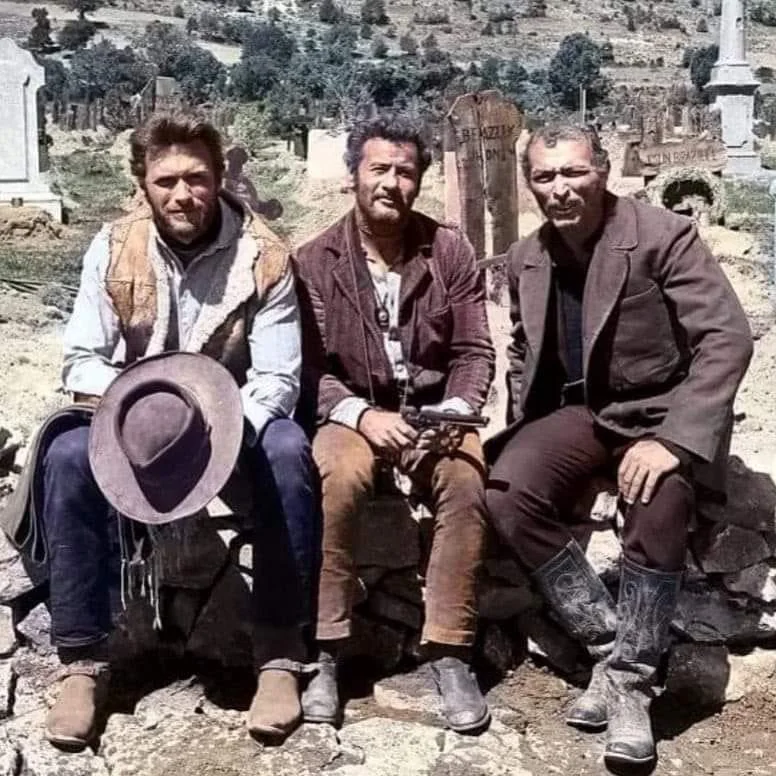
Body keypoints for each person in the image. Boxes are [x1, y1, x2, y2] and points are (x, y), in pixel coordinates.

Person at [1, 112, 318, 749]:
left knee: (289, 451)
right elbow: (82, 358)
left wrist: (216, 432)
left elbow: (279, 379)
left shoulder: (267, 257)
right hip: (141, 427)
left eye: (198, 179)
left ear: (221, 177)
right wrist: (137, 410)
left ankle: (280, 653)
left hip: (231, 430)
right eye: (166, 180)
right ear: (142, 183)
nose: (183, 195)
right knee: (64, 455)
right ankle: (83, 662)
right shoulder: (115, 246)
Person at [485, 123, 753, 767]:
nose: (560, 189)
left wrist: (673, 441)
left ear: (603, 171)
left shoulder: (661, 236)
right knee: (507, 491)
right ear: (530, 184)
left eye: (574, 173)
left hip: (662, 412)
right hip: (582, 415)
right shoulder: (527, 256)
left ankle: (631, 685)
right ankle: (609, 646)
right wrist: (534, 432)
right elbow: (524, 354)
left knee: (659, 501)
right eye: (545, 177)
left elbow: (726, 339)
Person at [294, 114, 495, 733]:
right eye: (378, 169)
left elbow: (474, 351)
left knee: (465, 480)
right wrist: (360, 414)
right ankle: (327, 649)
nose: (391, 183)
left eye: (405, 172)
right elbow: (309, 369)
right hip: (352, 412)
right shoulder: (315, 259)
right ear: (354, 176)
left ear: (419, 182)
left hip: (431, 411)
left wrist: (458, 410)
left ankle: (449, 648)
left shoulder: (449, 250)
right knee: (339, 475)